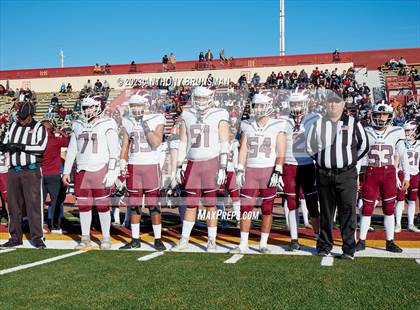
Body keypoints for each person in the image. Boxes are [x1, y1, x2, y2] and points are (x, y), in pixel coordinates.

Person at [306, 90, 369, 259]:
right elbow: (310, 147)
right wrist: (323, 162)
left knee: (347, 211)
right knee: (326, 212)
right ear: (326, 104)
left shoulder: (354, 122)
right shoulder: (318, 124)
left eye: (336, 102)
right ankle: (324, 246)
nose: (333, 104)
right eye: (330, 102)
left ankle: (349, 249)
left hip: (346, 175)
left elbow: (364, 146)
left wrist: (350, 162)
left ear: (343, 104)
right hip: (324, 174)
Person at [172, 86, 230, 252]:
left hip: (211, 162)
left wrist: (223, 167)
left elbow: (224, 142)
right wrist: (179, 165)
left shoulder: (220, 113)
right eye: (197, 98)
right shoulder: (187, 114)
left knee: (211, 205)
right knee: (191, 204)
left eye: (203, 98)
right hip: (192, 163)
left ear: (210, 98)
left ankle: (211, 240)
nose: (200, 101)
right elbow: (183, 142)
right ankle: (184, 239)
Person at [230, 93, 287, 254]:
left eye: (261, 105)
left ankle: (263, 243)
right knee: (245, 208)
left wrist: (278, 170)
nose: (258, 109)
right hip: (251, 171)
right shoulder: (247, 124)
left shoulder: (278, 124)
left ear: (269, 105)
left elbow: (281, 150)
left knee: (267, 209)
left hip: (268, 170)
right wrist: (240, 168)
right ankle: (243, 244)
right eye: (256, 106)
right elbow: (244, 148)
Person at [62, 96, 120, 249]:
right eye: (86, 107)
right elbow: (72, 150)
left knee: (102, 206)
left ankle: (106, 237)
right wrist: (66, 171)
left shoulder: (107, 123)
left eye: (91, 107)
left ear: (99, 107)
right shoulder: (78, 124)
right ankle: (85, 237)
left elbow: (114, 150)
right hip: (82, 169)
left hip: (100, 168)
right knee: (83, 206)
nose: (87, 110)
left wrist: (113, 170)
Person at [356, 102, 410, 253]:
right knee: (366, 208)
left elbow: (403, 155)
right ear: (372, 115)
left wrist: (406, 175)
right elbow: (360, 156)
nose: (381, 117)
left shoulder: (397, 131)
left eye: (384, 114)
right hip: (371, 173)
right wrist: (355, 175)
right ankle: (361, 241)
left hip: (389, 174)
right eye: (378, 114)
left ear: (390, 116)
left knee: (389, 209)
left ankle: (390, 241)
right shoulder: (366, 131)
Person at [118, 93, 166, 250]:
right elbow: (125, 145)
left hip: (150, 164)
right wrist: (122, 163)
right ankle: (135, 239)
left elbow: (156, 143)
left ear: (145, 105)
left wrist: (144, 125)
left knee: (153, 204)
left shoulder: (157, 118)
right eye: (133, 106)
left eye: (138, 105)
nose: (135, 108)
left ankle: (158, 239)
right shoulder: (127, 121)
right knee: (135, 205)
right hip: (133, 165)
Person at [0, 101, 48, 249]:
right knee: (13, 206)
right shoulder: (14, 125)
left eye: (23, 117)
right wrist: (4, 145)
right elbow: (6, 142)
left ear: (30, 116)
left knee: (34, 204)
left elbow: (41, 147)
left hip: (31, 170)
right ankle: (15, 237)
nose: (20, 119)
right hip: (14, 170)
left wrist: (21, 146)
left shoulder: (39, 127)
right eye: (19, 117)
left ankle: (37, 237)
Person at [281, 89, 320, 251]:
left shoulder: (315, 118)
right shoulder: (283, 120)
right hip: (289, 165)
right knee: (291, 204)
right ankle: (294, 239)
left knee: (312, 203)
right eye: (293, 104)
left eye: (299, 103)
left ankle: (318, 237)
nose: (296, 106)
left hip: (309, 164)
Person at [41, 120, 69, 233]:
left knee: (39, 202)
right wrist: (60, 131)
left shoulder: (37, 141)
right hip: (53, 175)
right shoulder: (55, 141)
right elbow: (68, 140)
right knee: (56, 201)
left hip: (40, 174)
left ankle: (39, 225)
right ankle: (55, 226)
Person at [395, 120, 420, 233]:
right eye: (405, 130)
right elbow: (396, 158)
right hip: (402, 173)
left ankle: (411, 223)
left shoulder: (419, 144)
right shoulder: (400, 143)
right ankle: (397, 224)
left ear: (414, 130)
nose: (407, 132)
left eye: (409, 130)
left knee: (412, 200)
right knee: (399, 200)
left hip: (414, 173)